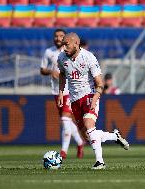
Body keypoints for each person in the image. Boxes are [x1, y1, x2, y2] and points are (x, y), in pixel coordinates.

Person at [57, 32, 129, 169]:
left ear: (76, 44)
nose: (64, 48)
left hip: (89, 95)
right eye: (63, 45)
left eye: (66, 44)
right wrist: (61, 93)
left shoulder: (89, 57)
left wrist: (95, 98)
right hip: (74, 100)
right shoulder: (62, 57)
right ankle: (115, 136)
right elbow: (62, 74)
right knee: (88, 136)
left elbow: (100, 83)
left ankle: (100, 162)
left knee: (89, 124)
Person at [40, 29, 84, 159]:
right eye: (56, 36)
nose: (58, 38)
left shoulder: (71, 51)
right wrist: (50, 72)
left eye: (61, 36)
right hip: (56, 91)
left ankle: (63, 151)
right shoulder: (49, 52)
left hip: (70, 91)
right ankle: (81, 143)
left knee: (65, 120)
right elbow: (42, 70)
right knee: (67, 121)